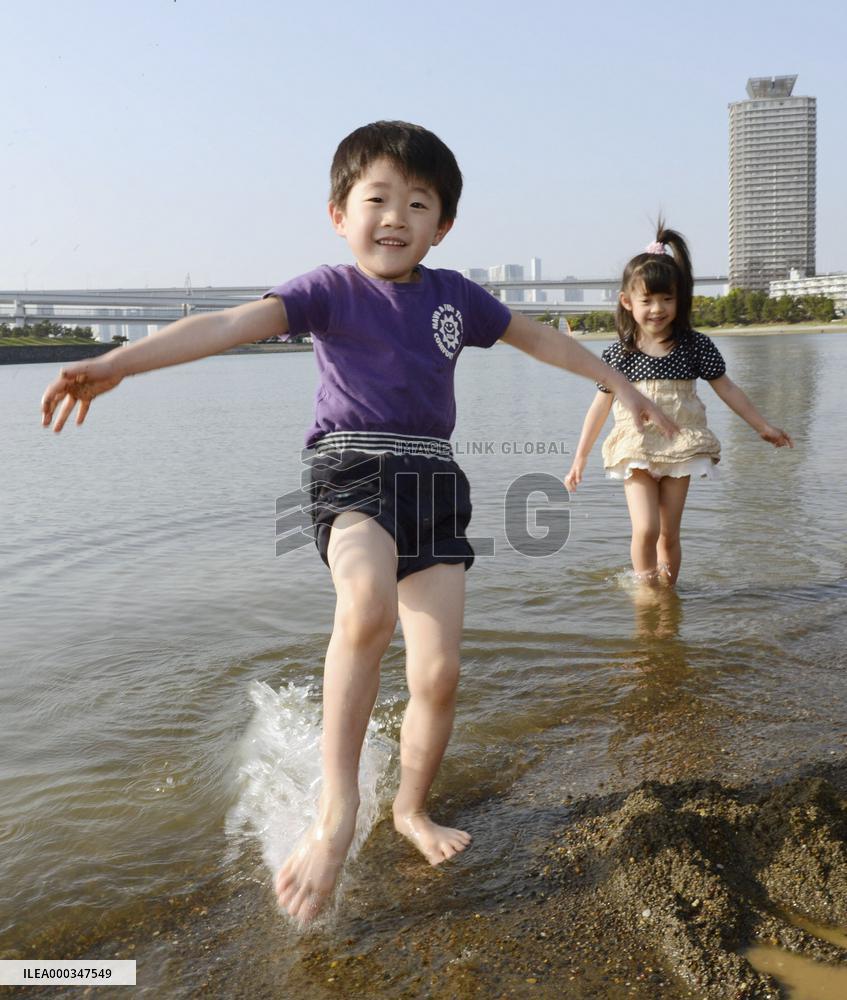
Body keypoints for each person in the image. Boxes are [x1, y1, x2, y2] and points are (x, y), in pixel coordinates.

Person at [41, 121, 677, 925]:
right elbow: (226, 325)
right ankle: (334, 814)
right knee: (367, 607)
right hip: (351, 473)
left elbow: (542, 339)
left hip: (436, 483)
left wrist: (619, 385)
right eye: (376, 198)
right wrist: (115, 363)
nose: (395, 217)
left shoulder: (454, 298)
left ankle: (411, 808)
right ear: (339, 213)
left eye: (418, 203)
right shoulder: (327, 291)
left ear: (441, 225)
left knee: (439, 673)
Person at [564, 221, 793, 585]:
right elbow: (600, 406)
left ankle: (668, 596)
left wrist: (762, 427)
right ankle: (645, 593)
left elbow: (727, 388)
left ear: (679, 299)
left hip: (680, 445)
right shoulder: (619, 353)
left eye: (667, 299)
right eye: (647, 300)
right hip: (634, 445)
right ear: (627, 302)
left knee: (669, 533)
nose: (658, 309)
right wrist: (580, 457)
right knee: (646, 529)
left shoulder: (694, 345)